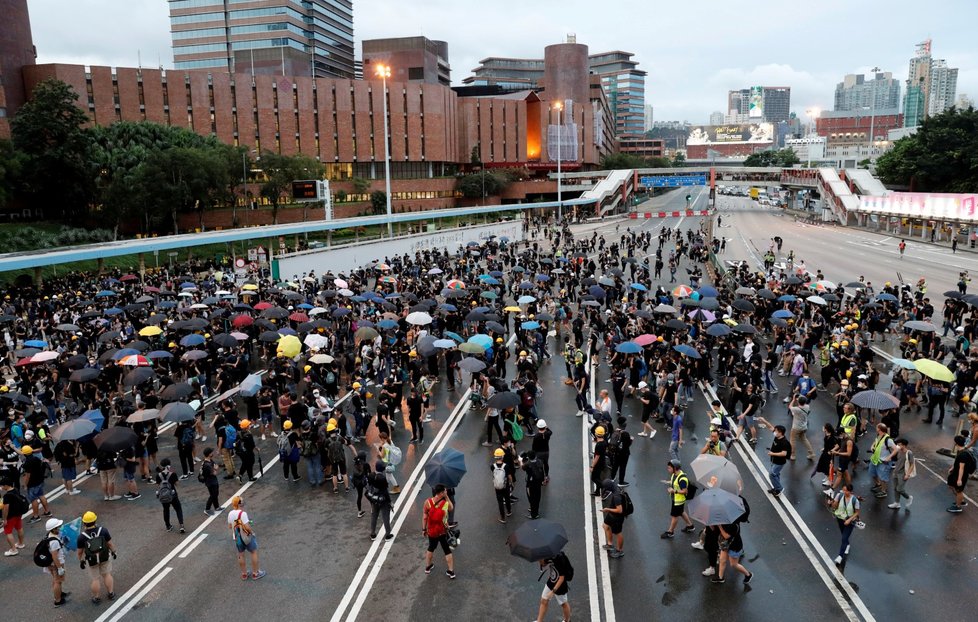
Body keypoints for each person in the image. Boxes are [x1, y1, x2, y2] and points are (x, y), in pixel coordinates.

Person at [77, 511, 118, 605]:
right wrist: (114, 552)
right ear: (95, 520)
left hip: (92, 560)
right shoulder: (103, 530)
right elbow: (110, 544)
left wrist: (81, 561)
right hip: (104, 556)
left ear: (84, 523)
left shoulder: (81, 537)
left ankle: (96, 597)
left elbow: (80, 552)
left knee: (95, 579)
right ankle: (111, 593)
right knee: (107, 574)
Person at [227, 496, 266, 580]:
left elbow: (230, 526)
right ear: (239, 504)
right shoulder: (243, 514)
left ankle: (244, 574)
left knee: (240, 554)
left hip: (237, 538)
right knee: (253, 552)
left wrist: (237, 522)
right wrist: (252, 532)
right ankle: (255, 573)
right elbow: (247, 527)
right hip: (246, 537)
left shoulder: (230, 513)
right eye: (242, 501)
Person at [422, 484, 455, 579]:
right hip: (442, 530)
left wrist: (424, 529)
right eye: (445, 491)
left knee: (431, 547)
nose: (446, 492)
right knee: (446, 549)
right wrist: (447, 497)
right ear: (441, 493)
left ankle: (428, 567)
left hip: (432, 530)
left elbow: (424, 516)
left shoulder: (428, 502)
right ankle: (451, 571)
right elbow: (451, 508)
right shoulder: (445, 503)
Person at [533, 552, 572, 622]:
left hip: (560, 585)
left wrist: (552, 592)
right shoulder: (547, 553)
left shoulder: (559, 558)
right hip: (551, 581)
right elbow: (544, 565)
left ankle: (567, 620)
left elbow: (561, 578)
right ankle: (539, 621)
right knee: (544, 600)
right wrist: (540, 560)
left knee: (563, 603)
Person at [661, 460, 695, 538]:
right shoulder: (675, 474)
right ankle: (690, 526)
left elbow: (684, 491)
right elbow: (675, 482)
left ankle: (670, 532)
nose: (668, 469)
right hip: (676, 499)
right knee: (681, 511)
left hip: (678, 501)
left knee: (675, 516)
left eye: (669, 468)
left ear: (675, 468)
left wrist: (674, 491)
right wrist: (668, 482)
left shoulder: (682, 479)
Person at [41, 517, 70, 607]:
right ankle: (58, 600)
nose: (60, 528)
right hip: (56, 564)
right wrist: (60, 568)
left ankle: (59, 594)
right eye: (58, 527)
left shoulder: (49, 536)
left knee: (55, 579)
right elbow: (54, 556)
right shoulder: (54, 542)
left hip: (51, 564)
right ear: (54, 529)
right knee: (58, 581)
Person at [829, 484, 860, 565]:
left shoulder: (855, 500)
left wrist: (849, 520)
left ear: (850, 491)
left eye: (846, 490)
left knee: (844, 538)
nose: (844, 491)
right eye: (843, 490)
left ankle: (840, 556)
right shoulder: (839, 495)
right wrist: (831, 503)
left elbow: (857, 513)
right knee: (843, 534)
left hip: (849, 521)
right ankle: (847, 544)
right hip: (840, 518)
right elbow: (834, 506)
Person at [19, 446, 52, 523]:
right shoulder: (36, 458)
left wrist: (25, 484)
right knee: (41, 495)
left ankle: (36, 516)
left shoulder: (27, 463)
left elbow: (28, 475)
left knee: (33, 500)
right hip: (40, 480)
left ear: (24, 454)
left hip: (32, 483)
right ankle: (47, 511)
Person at [947, 435, 976, 513]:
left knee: (959, 490)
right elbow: (957, 460)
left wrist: (959, 480)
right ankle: (961, 500)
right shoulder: (960, 450)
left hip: (961, 475)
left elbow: (961, 468)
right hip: (956, 472)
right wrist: (952, 467)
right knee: (951, 485)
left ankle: (958, 506)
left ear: (956, 443)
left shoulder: (963, 454)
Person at [155, 458, 185, 533]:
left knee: (166, 510)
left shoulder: (158, 475)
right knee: (178, 509)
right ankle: (181, 525)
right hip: (173, 494)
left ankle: (168, 526)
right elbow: (177, 484)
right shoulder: (173, 474)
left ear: (162, 466)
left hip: (163, 495)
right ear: (169, 465)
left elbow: (158, 486)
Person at [868, 424, 898, 500]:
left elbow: (896, 449)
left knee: (883, 477)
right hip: (875, 459)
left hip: (883, 461)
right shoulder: (878, 435)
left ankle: (883, 491)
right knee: (872, 473)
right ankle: (878, 484)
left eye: (877, 427)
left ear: (880, 429)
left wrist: (889, 457)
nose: (876, 428)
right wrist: (872, 446)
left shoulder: (888, 439)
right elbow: (875, 442)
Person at [367, 460, 394, 541]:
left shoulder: (371, 475)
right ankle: (388, 535)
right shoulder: (382, 478)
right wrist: (390, 502)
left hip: (374, 499)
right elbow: (385, 491)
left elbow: (369, 486)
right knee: (385, 517)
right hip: (383, 500)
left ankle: (373, 534)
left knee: (374, 516)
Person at [600, 479, 625, 558]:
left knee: (618, 533)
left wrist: (607, 509)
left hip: (617, 517)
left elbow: (619, 510)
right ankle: (610, 544)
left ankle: (620, 550)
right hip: (611, 514)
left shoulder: (616, 496)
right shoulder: (616, 488)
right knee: (605, 525)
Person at [1, 480, 27, 555]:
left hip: (11, 516)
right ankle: (20, 544)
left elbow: (6, 509)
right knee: (19, 528)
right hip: (18, 514)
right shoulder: (16, 490)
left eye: (2, 485)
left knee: (8, 532)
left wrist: (4, 519)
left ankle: (13, 549)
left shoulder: (7, 496)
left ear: (6, 485)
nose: (2, 487)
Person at [888, 438, 915, 510]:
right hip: (895, 472)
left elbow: (912, 464)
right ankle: (897, 503)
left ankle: (909, 497)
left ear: (904, 445)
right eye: (897, 444)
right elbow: (896, 459)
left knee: (899, 489)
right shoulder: (899, 451)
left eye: (899, 444)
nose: (898, 445)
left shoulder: (909, 453)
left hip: (903, 473)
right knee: (895, 488)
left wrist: (907, 474)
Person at [787, 395, 816, 461]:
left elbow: (790, 406)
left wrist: (794, 399)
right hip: (804, 427)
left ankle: (793, 455)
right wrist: (799, 398)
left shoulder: (796, 409)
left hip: (796, 427)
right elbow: (803, 400)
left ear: (798, 401)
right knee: (804, 439)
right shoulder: (807, 406)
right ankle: (811, 453)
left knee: (792, 440)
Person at [765, 425, 790, 497]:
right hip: (774, 460)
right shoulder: (777, 437)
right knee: (776, 474)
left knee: (772, 474)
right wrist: (764, 421)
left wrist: (772, 453)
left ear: (780, 432)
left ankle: (779, 488)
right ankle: (776, 488)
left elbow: (784, 453)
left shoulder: (784, 442)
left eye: (776, 431)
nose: (774, 432)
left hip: (779, 462)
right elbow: (770, 427)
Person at [490, 448, 513, 523]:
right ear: (502, 456)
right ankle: (509, 511)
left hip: (497, 487)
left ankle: (502, 518)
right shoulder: (506, 466)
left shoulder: (492, 466)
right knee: (507, 499)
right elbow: (509, 476)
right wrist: (511, 482)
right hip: (505, 486)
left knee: (500, 502)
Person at [608, 417, 632, 486]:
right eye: (625, 421)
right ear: (624, 423)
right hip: (624, 454)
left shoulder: (616, 430)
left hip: (616, 452)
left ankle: (612, 478)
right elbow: (627, 445)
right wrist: (631, 440)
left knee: (615, 465)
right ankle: (621, 482)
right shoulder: (625, 434)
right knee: (622, 467)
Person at [523, 450, 545, 519]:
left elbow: (523, 467)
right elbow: (542, 471)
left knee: (531, 498)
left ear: (529, 457)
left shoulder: (527, 464)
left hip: (530, 483)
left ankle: (533, 514)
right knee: (537, 497)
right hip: (538, 482)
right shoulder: (540, 461)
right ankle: (536, 511)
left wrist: (521, 461)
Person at [200, 447, 221, 515]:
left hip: (212, 481)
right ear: (209, 454)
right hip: (211, 482)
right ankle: (207, 509)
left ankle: (216, 507)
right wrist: (216, 469)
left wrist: (215, 468)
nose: (213, 453)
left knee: (215, 494)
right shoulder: (207, 465)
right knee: (213, 495)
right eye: (211, 452)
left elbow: (216, 467)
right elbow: (215, 472)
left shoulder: (209, 461)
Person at [590, 427, 608, 496]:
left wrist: (592, 466)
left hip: (598, 463)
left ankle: (604, 487)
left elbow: (597, 457)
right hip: (602, 462)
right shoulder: (604, 441)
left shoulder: (599, 445)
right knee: (598, 477)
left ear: (596, 434)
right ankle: (597, 492)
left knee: (594, 478)